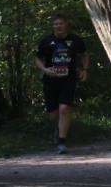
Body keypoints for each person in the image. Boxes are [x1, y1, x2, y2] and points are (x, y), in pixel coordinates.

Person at [35, 14, 88, 154]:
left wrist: (84, 69)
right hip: (50, 80)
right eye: (55, 24)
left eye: (61, 24)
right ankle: (58, 129)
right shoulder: (46, 41)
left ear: (66, 25)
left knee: (64, 108)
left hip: (68, 79)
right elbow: (38, 59)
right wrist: (45, 70)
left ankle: (62, 142)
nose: (58, 26)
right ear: (53, 27)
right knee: (53, 113)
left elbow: (84, 54)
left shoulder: (75, 40)